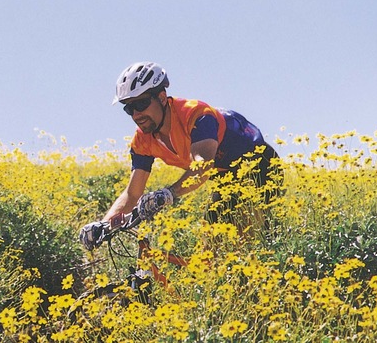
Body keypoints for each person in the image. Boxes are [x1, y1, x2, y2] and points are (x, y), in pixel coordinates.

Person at [80, 61, 282, 250]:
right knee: (211, 245)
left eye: (140, 104)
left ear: (161, 97)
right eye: (128, 108)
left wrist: (168, 193)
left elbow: (202, 168)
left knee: (245, 244)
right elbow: (132, 194)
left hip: (259, 167)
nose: (136, 114)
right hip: (226, 179)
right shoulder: (143, 139)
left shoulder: (196, 115)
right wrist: (103, 225)